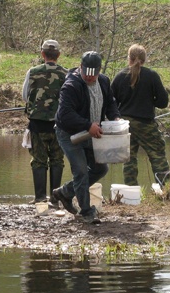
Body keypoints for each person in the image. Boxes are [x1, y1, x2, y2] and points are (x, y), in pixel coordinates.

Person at [52, 51, 121, 224]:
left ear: (99, 71)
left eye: (94, 75)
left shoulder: (104, 81)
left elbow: (111, 103)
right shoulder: (71, 86)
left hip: (91, 132)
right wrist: (87, 125)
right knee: (81, 170)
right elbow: (65, 115)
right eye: (86, 74)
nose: (89, 78)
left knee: (101, 168)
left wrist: (115, 117)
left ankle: (65, 193)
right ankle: (86, 211)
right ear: (80, 67)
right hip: (68, 133)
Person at [110, 44, 170, 186]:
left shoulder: (120, 77)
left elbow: (111, 102)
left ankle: (131, 190)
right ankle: (166, 188)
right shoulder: (152, 76)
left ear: (129, 58)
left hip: (125, 125)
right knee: (157, 155)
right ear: (144, 59)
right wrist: (151, 100)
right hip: (146, 125)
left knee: (129, 159)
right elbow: (163, 102)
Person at [21, 39, 67, 206]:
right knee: (57, 159)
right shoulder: (66, 73)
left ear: (42, 54)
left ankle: (40, 198)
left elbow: (25, 96)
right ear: (59, 55)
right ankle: (55, 199)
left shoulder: (33, 71)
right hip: (59, 125)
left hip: (37, 124)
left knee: (39, 160)